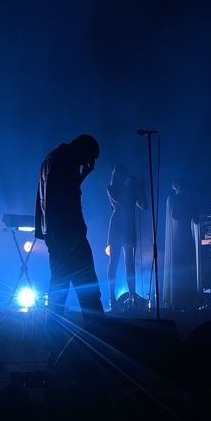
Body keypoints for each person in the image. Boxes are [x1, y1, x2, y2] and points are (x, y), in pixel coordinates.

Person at [34, 133, 104, 362]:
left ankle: (53, 347)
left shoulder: (52, 158)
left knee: (59, 291)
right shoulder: (67, 161)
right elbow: (64, 200)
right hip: (69, 235)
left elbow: (57, 194)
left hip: (56, 234)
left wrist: (82, 176)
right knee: (88, 290)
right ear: (83, 149)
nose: (87, 163)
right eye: (89, 158)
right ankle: (101, 342)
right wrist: (74, 236)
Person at [106, 163, 147, 312]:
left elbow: (144, 206)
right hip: (117, 227)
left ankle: (132, 297)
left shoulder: (130, 189)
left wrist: (140, 190)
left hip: (129, 227)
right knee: (114, 262)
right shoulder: (111, 188)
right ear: (117, 174)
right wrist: (134, 188)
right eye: (123, 173)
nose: (125, 175)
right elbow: (122, 203)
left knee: (130, 263)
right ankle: (112, 298)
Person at [166, 178, 200, 312]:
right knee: (179, 267)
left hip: (187, 236)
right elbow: (175, 215)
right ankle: (178, 299)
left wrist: (192, 204)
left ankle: (189, 298)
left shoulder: (189, 199)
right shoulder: (173, 199)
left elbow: (196, 220)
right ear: (176, 187)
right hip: (178, 238)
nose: (182, 188)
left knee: (189, 267)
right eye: (180, 186)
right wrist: (186, 203)